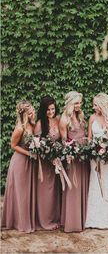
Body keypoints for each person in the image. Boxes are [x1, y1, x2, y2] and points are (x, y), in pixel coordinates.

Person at [1, 101, 37, 232]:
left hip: (30, 162)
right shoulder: (20, 128)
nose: (33, 111)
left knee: (27, 192)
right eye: (30, 110)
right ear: (25, 113)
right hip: (20, 162)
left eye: (32, 108)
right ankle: (20, 223)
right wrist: (28, 153)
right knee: (21, 193)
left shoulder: (32, 125)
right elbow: (13, 145)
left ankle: (27, 220)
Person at [85, 93, 108, 229]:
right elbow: (89, 137)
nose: (93, 107)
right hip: (95, 157)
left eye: (95, 105)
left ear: (102, 105)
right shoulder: (92, 118)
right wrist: (93, 149)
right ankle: (93, 219)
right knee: (95, 184)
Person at [59, 91, 90, 232]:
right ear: (70, 103)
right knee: (74, 188)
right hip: (72, 158)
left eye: (80, 102)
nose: (79, 105)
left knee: (82, 186)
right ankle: (72, 222)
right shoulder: (64, 120)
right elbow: (64, 141)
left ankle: (82, 219)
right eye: (76, 103)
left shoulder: (80, 116)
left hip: (83, 157)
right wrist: (71, 152)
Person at [34, 96, 61, 230]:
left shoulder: (58, 119)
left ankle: (54, 217)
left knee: (55, 190)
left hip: (57, 162)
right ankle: (44, 220)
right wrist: (50, 156)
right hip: (45, 163)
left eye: (53, 108)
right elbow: (37, 145)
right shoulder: (40, 123)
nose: (51, 112)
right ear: (43, 110)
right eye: (48, 109)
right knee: (46, 190)